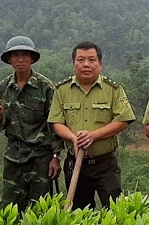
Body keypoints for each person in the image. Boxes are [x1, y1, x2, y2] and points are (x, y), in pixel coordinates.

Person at [48, 41, 135, 209]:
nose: (86, 64)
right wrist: (74, 138)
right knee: (79, 214)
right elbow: (56, 123)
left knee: (114, 212)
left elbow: (123, 120)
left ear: (100, 64)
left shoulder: (113, 89)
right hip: (75, 164)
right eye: (80, 60)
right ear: (73, 63)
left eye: (91, 60)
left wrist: (93, 136)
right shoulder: (62, 90)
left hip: (106, 164)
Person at [0, 36, 62, 210]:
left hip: (40, 157)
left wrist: (56, 157)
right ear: (9, 59)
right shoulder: (3, 87)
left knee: (41, 210)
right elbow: (1, 123)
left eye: (25, 55)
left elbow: (55, 124)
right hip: (13, 156)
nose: (20, 60)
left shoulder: (46, 87)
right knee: (9, 208)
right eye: (15, 55)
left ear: (32, 58)